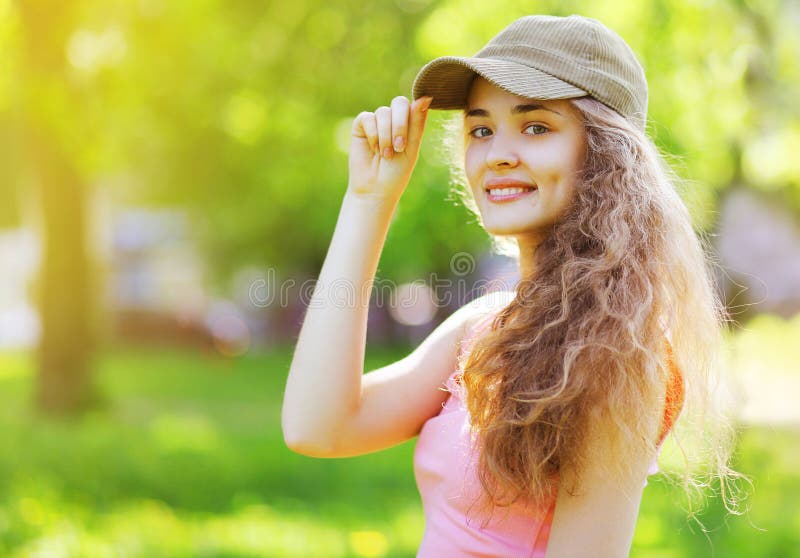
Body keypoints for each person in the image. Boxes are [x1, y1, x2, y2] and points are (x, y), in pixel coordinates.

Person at [282, 14, 742, 557]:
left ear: (605, 156)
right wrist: (368, 200)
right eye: (481, 129)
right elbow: (318, 427)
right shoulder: (482, 327)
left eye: (536, 126)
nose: (498, 152)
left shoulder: (619, 355)